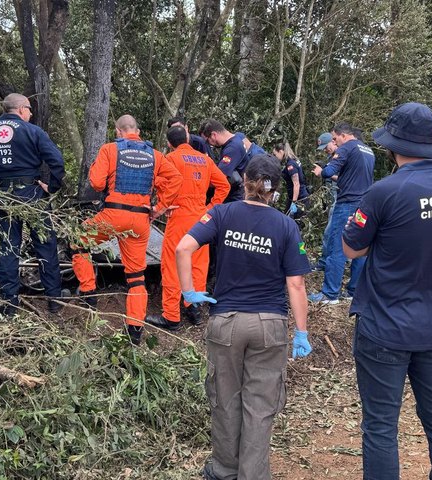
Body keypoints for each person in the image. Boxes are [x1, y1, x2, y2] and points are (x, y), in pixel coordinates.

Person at [343, 102, 432, 480]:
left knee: (381, 424)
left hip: (385, 325)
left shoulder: (384, 192)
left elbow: (352, 248)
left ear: (393, 145)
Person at [176, 154, 312, 480]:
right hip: (270, 326)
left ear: (245, 182)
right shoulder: (286, 226)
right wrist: (301, 332)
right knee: (260, 406)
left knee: (225, 399)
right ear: (276, 189)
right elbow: (295, 284)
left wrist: (189, 292)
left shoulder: (222, 213)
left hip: (227, 322)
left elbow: (183, 248)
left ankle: (223, 471)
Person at [71, 115, 182, 345]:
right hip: (141, 220)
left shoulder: (110, 149)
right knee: (135, 276)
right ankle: (135, 331)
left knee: (77, 241)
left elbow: (97, 183)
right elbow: (176, 179)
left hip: (113, 215)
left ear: (118, 131)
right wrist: (159, 208)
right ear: (137, 130)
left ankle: (89, 293)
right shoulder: (155, 155)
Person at [0, 93, 65, 317]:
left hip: (3, 196)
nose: (30, 114)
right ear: (21, 109)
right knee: (45, 245)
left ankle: (10, 303)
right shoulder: (33, 132)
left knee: (8, 248)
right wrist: (52, 186)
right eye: (29, 110)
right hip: (32, 195)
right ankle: (54, 300)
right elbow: (56, 161)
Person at [145, 126, 230, 331]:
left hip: (179, 218)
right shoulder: (205, 159)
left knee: (172, 264)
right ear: (188, 139)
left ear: (169, 143)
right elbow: (224, 186)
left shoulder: (171, 159)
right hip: (201, 220)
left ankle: (171, 317)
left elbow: (159, 183)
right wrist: (210, 209)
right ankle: (194, 309)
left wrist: (163, 205)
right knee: (198, 265)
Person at [310, 123, 375, 304]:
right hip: (364, 204)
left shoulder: (347, 147)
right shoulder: (368, 150)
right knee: (360, 248)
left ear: (344, 135)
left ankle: (330, 293)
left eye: (335, 138)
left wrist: (321, 171)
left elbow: (329, 171)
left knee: (337, 247)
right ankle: (353, 290)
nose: (334, 141)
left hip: (347, 203)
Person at [199, 119, 251, 202]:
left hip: (234, 197)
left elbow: (220, 177)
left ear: (213, 135)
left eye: (207, 141)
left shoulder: (232, 148)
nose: (208, 144)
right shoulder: (235, 140)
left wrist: (198, 183)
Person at [314, 132, 337, 272]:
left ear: (333, 141)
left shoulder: (342, 157)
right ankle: (325, 261)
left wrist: (324, 172)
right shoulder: (331, 158)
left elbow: (343, 179)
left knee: (330, 232)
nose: (325, 150)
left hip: (340, 198)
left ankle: (325, 262)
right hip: (331, 197)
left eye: (326, 146)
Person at [273, 142, 310, 219]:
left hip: (300, 199)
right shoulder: (293, 160)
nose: (275, 157)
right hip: (295, 197)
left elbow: (296, 184)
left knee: (294, 222)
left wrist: (294, 202)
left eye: (275, 154)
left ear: (280, 152)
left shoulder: (291, 165)